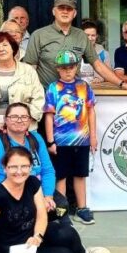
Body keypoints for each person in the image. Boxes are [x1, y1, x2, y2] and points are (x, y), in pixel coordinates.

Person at [24, 0, 127, 91]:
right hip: (47, 99)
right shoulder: (39, 35)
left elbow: (98, 65)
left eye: (69, 9)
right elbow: (30, 69)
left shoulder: (81, 36)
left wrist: (122, 84)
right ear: (54, 11)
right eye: (61, 8)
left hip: (75, 100)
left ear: (74, 13)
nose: (65, 12)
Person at [43, 51, 98, 225]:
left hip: (82, 139)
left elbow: (90, 110)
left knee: (80, 174)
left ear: (77, 67)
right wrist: (50, 140)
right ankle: (62, 210)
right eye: (64, 68)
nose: (68, 71)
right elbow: (49, 115)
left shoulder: (84, 86)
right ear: (57, 69)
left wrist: (93, 137)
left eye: (72, 67)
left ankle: (82, 208)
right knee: (61, 175)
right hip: (61, 140)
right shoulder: (53, 87)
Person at [0, 32, 45, 158]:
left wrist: (22, 122)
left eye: (5, 45)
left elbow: (39, 99)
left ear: (13, 48)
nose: (1, 49)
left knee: (22, 165)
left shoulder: (28, 70)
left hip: (24, 128)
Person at [0, 103, 56, 213]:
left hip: (37, 190)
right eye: (14, 117)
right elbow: (1, 179)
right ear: (6, 120)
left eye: (24, 117)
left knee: (61, 212)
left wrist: (48, 196)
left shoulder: (36, 139)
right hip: (6, 193)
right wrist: (36, 200)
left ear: (29, 120)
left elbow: (47, 170)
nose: (19, 120)